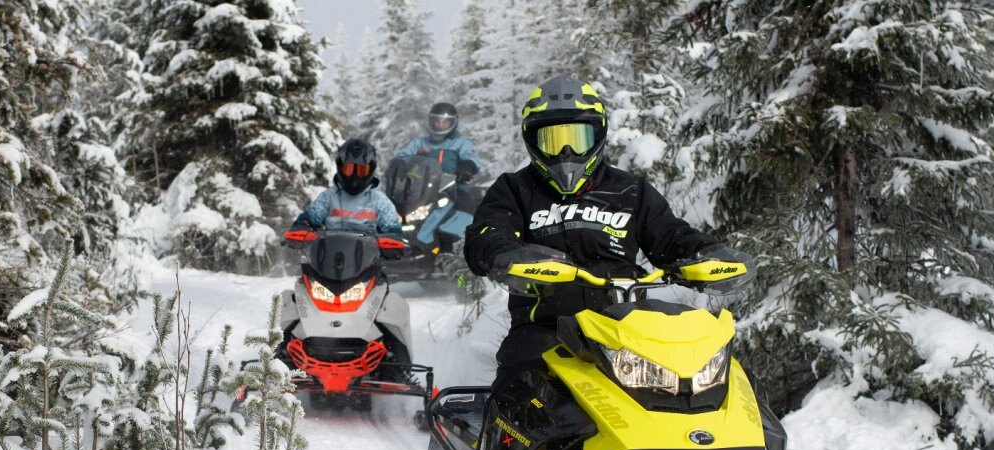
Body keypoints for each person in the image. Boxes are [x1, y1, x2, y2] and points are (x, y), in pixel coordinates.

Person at [464, 75, 753, 393]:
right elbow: (488, 231)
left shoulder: (629, 190)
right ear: (533, 141)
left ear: (598, 134)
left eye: (577, 138)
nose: (566, 151)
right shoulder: (515, 189)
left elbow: (671, 235)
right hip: (546, 328)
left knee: (697, 381)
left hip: (626, 326)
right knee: (518, 386)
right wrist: (501, 252)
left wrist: (705, 254)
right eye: (552, 141)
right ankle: (499, 426)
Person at [290, 138, 403, 236]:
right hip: (328, 253)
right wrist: (302, 225)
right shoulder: (328, 197)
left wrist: (393, 238)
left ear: (371, 170)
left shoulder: (380, 201)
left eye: (361, 170)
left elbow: (391, 227)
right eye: (349, 169)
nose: (354, 176)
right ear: (340, 168)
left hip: (369, 254)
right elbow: (312, 216)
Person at [394, 102, 482, 184]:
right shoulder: (420, 143)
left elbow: (472, 158)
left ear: (453, 123)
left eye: (445, 122)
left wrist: (469, 165)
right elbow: (402, 156)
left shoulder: (460, 143)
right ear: (431, 122)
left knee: (463, 194)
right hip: (421, 186)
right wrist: (406, 161)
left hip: (453, 186)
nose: (440, 125)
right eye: (437, 122)